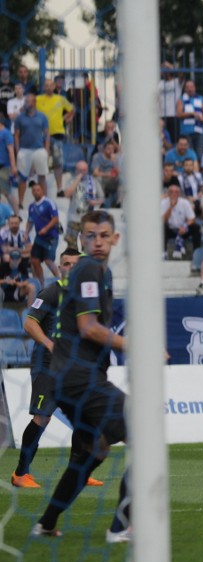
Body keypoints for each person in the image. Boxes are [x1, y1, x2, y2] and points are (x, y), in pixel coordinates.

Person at [31, 211, 131, 542]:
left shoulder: (101, 272)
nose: (98, 241)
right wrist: (134, 345)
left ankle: (46, 523)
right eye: (91, 236)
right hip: (79, 377)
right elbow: (89, 328)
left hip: (66, 378)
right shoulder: (89, 268)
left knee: (96, 450)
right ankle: (121, 528)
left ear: (115, 238)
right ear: (81, 240)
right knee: (145, 432)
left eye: (104, 235)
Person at [12, 248, 103, 488]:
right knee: (42, 418)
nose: (70, 268)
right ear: (60, 267)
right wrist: (51, 344)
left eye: (75, 264)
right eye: (66, 264)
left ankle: (78, 474)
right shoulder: (52, 292)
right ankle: (21, 473)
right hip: (47, 366)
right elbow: (30, 324)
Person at [36, 79, 74, 190]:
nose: (48, 87)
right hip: (42, 134)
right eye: (46, 85)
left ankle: (59, 188)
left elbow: (72, 109)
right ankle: (41, 188)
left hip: (57, 133)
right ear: (43, 87)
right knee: (42, 161)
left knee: (58, 162)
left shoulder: (61, 99)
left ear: (54, 87)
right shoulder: (38, 99)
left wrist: (67, 118)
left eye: (50, 85)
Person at [14, 91, 49, 208]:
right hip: (24, 150)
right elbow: (17, 134)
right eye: (25, 101)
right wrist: (18, 150)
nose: (26, 103)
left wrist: (47, 150)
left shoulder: (42, 116)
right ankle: (20, 202)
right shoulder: (19, 118)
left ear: (34, 102)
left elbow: (47, 134)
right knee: (22, 177)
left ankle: (44, 200)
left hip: (39, 149)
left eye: (28, 101)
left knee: (42, 175)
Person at [63, 161, 104, 248]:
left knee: (87, 247)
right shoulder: (71, 181)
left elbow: (102, 198)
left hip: (88, 219)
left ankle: (84, 261)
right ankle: (73, 261)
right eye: (80, 170)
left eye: (84, 170)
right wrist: (77, 179)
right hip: (73, 218)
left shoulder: (93, 182)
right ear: (76, 170)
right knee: (71, 246)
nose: (82, 172)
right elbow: (67, 194)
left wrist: (94, 202)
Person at [27, 181, 59, 286]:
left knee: (48, 260)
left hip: (50, 237)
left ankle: (60, 280)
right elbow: (30, 220)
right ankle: (41, 284)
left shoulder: (49, 203)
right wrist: (26, 233)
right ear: (32, 192)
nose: (36, 192)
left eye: (38, 190)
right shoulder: (31, 206)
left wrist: (46, 228)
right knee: (34, 260)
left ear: (42, 191)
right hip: (39, 237)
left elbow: (55, 219)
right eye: (34, 190)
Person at [161, 183, 201, 259]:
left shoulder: (184, 203)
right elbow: (163, 220)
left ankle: (196, 254)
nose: (174, 194)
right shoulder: (163, 203)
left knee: (196, 227)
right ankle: (164, 252)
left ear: (179, 194)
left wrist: (185, 227)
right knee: (162, 226)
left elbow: (192, 218)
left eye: (176, 192)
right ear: (168, 193)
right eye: (171, 191)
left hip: (182, 229)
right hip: (170, 229)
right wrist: (170, 207)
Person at [177, 79, 203, 159]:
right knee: (189, 153)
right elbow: (179, 114)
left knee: (200, 153)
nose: (190, 89)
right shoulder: (181, 99)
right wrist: (191, 114)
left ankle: (198, 170)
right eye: (187, 87)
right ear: (185, 89)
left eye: (191, 87)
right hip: (186, 130)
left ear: (195, 88)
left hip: (199, 129)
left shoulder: (200, 98)